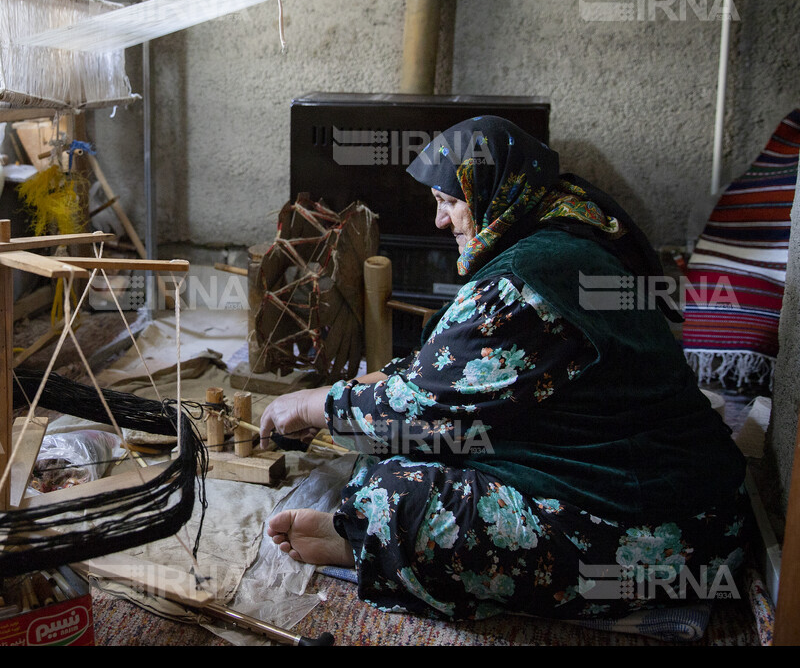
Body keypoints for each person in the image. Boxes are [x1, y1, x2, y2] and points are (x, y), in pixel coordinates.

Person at [257, 116, 747, 620]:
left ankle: (369, 542)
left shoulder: (523, 287)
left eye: (449, 203)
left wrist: (311, 404)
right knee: (390, 448)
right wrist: (369, 388)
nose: (439, 222)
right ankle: (367, 534)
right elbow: (450, 371)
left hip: (664, 527)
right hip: (629, 469)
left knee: (399, 494)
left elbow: (421, 407)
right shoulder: (563, 225)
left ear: (493, 190)